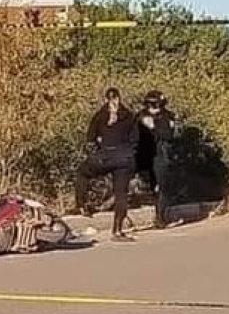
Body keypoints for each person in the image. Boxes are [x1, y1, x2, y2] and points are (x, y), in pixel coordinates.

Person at [75, 87, 139, 241]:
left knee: (82, 173)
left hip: (104, 156)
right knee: (121, 194)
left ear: (106, 99)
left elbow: (90, 138)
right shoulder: (129, 116)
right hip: (123, 158)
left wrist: (100, 147)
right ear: (119, 98)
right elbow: (135, 139)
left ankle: (81, 204)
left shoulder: (100, 116)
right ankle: (117, 231)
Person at [139, 90, 179, 229]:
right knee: (150, 186)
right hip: (144, 156)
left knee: (162, 187)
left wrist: (154, 126)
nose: (155, 107)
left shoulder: (168, 116)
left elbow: (168, 135)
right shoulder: (141, 116)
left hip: (161, 156)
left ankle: (160, 217)